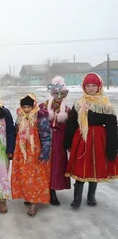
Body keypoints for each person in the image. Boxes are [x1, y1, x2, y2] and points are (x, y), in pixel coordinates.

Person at [64, 73, 118, 208]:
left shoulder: (106, 104)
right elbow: (72, 123)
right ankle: (77, 198)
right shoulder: (79, 103)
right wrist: (68, 141)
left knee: (95, 166)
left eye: (94, 85)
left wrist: (113, 146)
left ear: (99, 86)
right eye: (88, 85)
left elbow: (112, 126)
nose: (91, 88)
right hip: (81, 138)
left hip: (99, 139)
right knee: (80, 167)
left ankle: (91, 196)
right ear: (84, 87)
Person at [11, 94, 51, 217]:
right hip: (22, 153)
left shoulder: (40, 118)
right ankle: (28, 196)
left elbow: (46, 136)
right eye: (24, 107)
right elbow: (16, 132)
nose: (26, 109)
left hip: (35, 152)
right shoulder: (20, 118)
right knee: (25, 176)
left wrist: (45, 152)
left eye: (29, 106)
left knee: (35, 177)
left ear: (33, 106)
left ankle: (34, 203)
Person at [39, 76, 71, 205]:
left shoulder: (68, 110)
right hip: (44, 141)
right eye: (55, 93)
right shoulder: (43, 107)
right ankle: (40, 190)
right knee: (43, 165)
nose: (58, 96)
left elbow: (71, 128)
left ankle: (52, 191)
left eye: (61, 93)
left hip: (59, 142)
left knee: (56, 166)